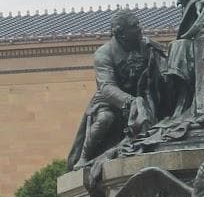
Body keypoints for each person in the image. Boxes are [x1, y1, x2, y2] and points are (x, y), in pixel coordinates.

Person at [65, 11, 164, 167]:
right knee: (105, 118)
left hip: (141, 97)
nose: (140, 28)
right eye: (134, 26)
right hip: (109, 100)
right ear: (121, 34)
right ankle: (84, 157)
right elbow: (106, 86)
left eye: (138, 24)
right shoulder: (104, 53)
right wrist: (131, 101)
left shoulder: (147, 46)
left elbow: (164, 68)